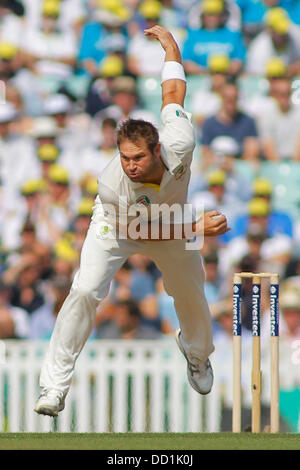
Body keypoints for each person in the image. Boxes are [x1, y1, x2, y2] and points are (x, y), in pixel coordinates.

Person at [34, 25, 229, 417]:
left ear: (157, 149)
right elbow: (139, 232)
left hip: (171, 216)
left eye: (138, 158)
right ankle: (54, 386)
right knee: (86, 290)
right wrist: (196, 229)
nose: (131, 166)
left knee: (191, 290)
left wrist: (171, 49)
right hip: (117, 224)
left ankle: (196, 354)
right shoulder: (113, 184)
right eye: (124, 158)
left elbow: (173, 93)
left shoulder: (180, 142)